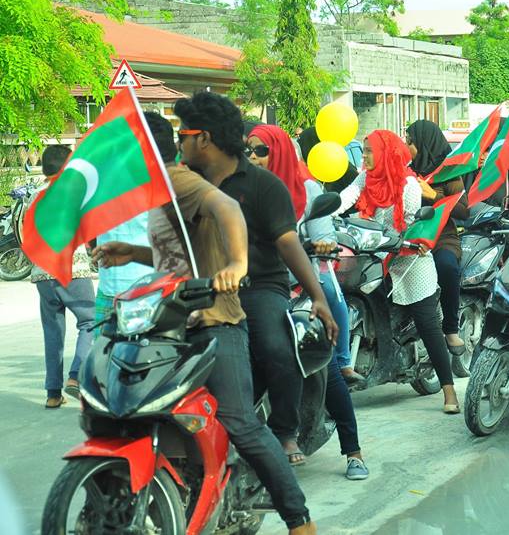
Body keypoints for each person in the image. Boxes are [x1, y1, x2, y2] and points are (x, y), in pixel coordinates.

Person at [93, 112, 317, 534]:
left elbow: (227, 206)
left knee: (241, 422)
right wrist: (134, 253)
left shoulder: (178, 179)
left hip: (215, 319)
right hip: (168, 324)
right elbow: (179, 258)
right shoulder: (156, 189)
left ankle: (298, 520)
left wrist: (237, 263)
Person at [173, 93, 338, 471]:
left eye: (184, 134)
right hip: (201, 287)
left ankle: (284, 429)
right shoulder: (184, 183)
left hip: (260, 285)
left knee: (277, 348)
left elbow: (287, 242)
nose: (179, 142)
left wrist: (318, 296)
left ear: (205, 139)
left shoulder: (265, 186)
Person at [247, 124, 368, 479]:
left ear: (279, 152)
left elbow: (322, 233)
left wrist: (323, 244)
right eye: (248, 150)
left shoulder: (306, 189)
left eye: (260, 150)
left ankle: (354, 452)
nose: (252, 157)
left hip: (297, 292)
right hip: (250, 293)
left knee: (324, 368)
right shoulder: (240, 190)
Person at [335, 130, 460, 414]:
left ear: (385, 153)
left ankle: (448, 390)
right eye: (364, 150)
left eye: (369, 151)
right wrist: (321, 214)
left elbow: (411, 225)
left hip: (410, 258)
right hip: (375, 255)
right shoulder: (365, 177)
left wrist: (407, 241)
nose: (364, 156)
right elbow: (345, 198)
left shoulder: (408, 185)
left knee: (428, 323)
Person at [31, 145, 96, 409]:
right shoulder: (73, 194)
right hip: (73, 270)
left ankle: (53, 393)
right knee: (91, 322)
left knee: (52, 333)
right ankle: (76, 375)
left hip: (42, 275)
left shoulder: (33, 196)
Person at [405, 120, 470, 354]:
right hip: (409, 238)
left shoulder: (448, 172)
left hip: (442, 238)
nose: (406, 146)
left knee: (446, 267)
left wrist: (433, 195)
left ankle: (451, 329)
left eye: (409, 141)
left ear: (424, 143)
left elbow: (464, 211)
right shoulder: (406, 170)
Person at [92, 215, 151, 337]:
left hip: (145, 292)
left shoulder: (153, 197)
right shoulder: (96, 198)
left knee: (142, 350)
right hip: (106, 290)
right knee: (101, 350)